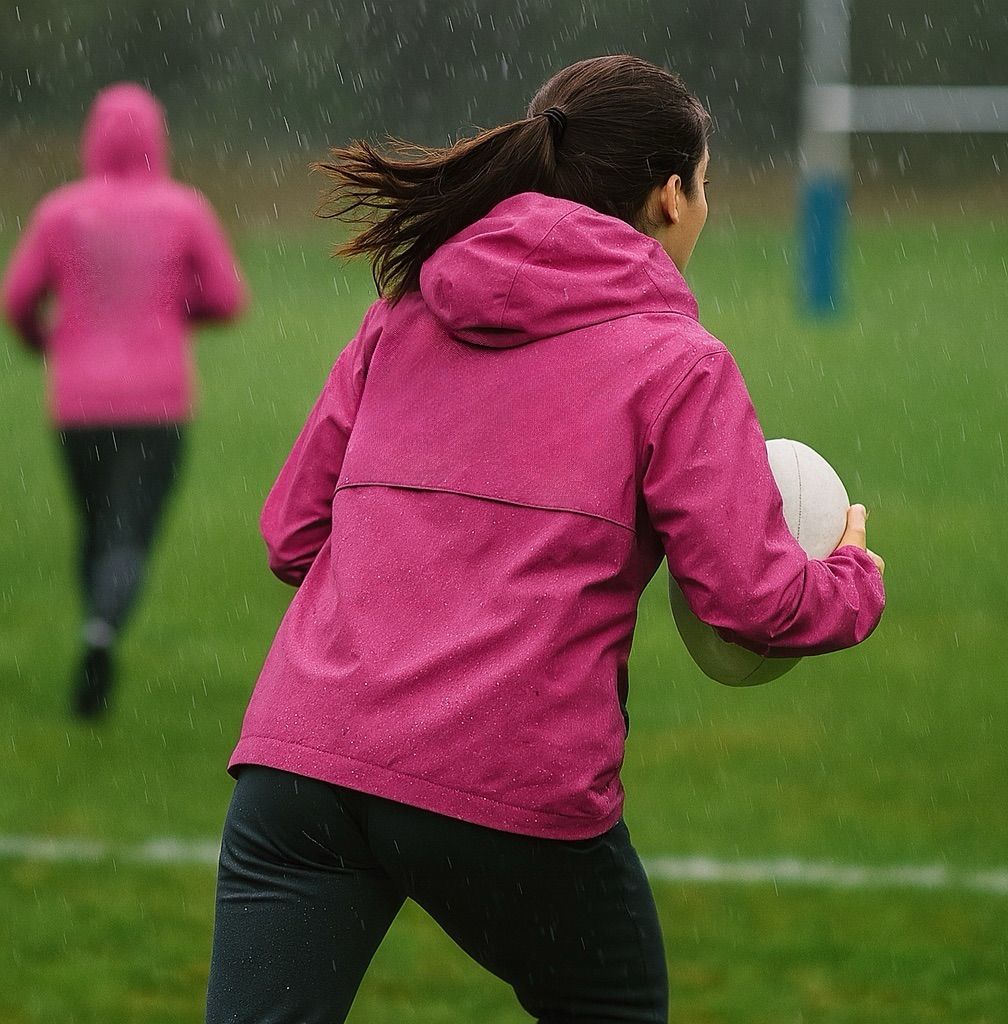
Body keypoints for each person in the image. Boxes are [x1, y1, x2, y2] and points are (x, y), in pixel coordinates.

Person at [206, 55, 885, 1024]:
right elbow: (754, 602)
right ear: (669, 195)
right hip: (506, 783)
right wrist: (853, 575)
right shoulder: (678, 363)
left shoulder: (401, 313)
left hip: (302, 765)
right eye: (704, 186)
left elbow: (291, 535)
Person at [2, 83, 247, 718]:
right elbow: (227, 298)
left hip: (78, 403)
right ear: (155, 139)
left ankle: (93, 627)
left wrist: (46, 341)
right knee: (130, 531)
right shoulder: (184, 209)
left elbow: (17, 299)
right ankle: (103, 633)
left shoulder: (60, 212)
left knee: (94, 525)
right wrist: (170, 311)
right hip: (155, 403)